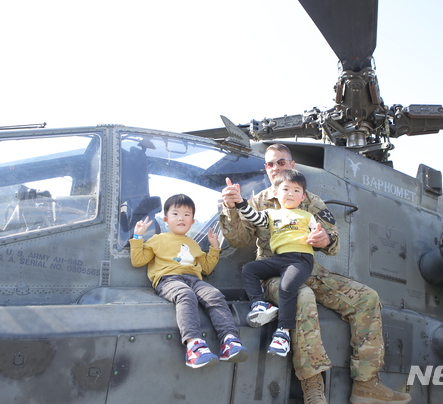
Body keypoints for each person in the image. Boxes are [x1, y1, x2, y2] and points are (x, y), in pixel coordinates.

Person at [220, 144, 411, 404]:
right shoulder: (257, 202)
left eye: (281, 162)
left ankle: (367, 385)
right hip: (272, 272)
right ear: (266, 169)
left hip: (307, 267)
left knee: (366, 298)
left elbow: (334, 242)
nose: (276, 168)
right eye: (270, 164)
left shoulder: (309, 200)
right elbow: (239, 239)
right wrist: (230, 207)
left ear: (292, 165)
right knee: (302, 296)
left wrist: (324, 239)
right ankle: (313, 388)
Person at [130, 194, 249, 369]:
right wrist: (138, 237)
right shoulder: (157, 240)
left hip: (193, 279)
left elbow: (206, 268)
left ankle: (229, 340)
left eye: (187, 215)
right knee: (185, 295)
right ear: (166, 219)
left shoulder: (193, 244)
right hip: (168, 280)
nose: (181, 218)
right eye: (176, 214)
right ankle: (194, 345)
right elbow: (138, 260)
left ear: (192, 221)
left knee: (214, 295)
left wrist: (214, 248)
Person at [234, 169, 318, 358]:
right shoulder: (271, 215)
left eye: (296, 191)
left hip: (301, 259)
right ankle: (259, 305)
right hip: (280, 258)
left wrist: (319, 237)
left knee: (287, 286)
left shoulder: (307, 216)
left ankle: (283, 333)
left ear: (303, 196)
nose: (290, 194)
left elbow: (319, 235)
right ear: (275, 193)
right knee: (250, 269)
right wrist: (239, 201)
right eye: (286, 189)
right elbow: (252, 216)